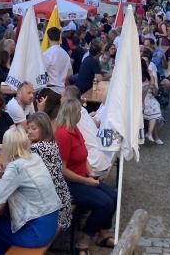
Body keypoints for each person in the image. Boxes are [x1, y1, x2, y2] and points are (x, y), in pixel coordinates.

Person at [0, 126, 61, 255]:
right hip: (51, 223)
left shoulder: (16, 167)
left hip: (36, 232)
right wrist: (5, 173)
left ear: (8, 146)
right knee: (0, 221)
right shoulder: (34, 157)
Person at [55, 99, 117, 253]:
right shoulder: (63, 135)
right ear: (73, 114)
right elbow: (62, 170)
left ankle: (103, 235)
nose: (81, 116)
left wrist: (91, 173)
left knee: (113, 196)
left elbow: (84, 155)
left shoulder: (74, 129)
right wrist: (87, 181)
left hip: (82, 178)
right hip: (68, 184)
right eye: (79, 113)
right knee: (105, 204)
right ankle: (83, 242)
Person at [26, 112, 72, 231]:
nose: (29, 131)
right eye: (28, 128)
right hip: (63, 199)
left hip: (53, 209)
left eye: (34, 128)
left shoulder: (36, 148)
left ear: (44, 129)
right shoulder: (52, 143)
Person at [141, 56, 163, 145]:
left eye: (147, 62)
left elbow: (156, 93)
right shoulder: (135, 76)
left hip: (150, 97)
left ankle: (150, 134)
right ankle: (152, 135)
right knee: (153, 108)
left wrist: (153, 86)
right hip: (140, 100)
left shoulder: (150, 76)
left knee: (155, 106)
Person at [42, 27, 71, 93]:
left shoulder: (47, 54)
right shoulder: (65, 53)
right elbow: (70, 72)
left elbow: (42, 72)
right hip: (62, 89)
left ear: (48, 38)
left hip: (50, 89)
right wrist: (61, 81)